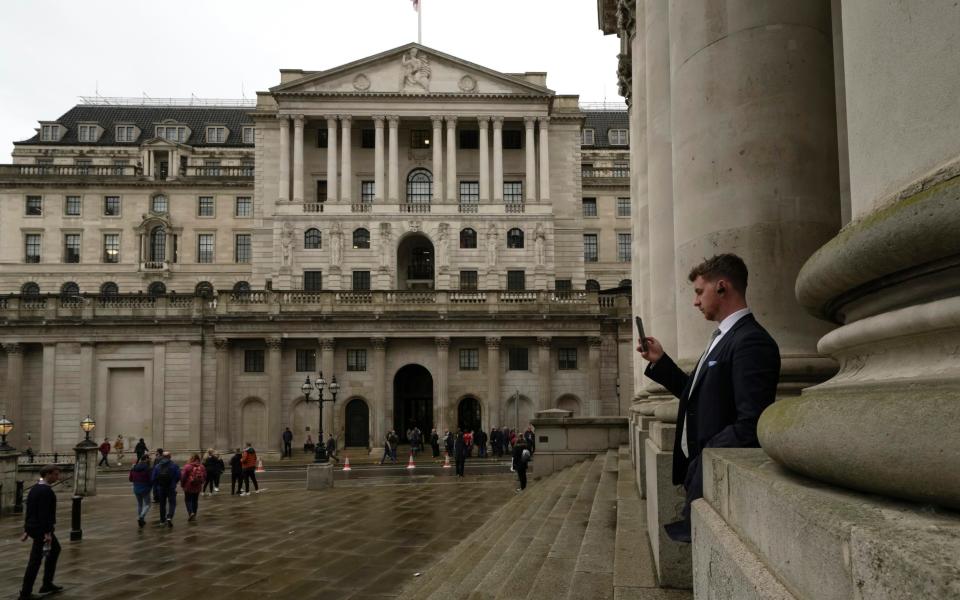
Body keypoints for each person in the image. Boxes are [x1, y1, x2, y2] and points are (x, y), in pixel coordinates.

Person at [638, 254, 780, 543]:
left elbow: (752, 422)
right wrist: (661, 361)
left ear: (722, 287)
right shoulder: (722, 338)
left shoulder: (751, 341)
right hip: (700, 471)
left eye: (699, 291)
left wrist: (702, 459)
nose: (695, 301)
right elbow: (697, 395)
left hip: (714, 470)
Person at [19, 465, 63, 600]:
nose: (57, 477)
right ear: (48, 474)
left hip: (34, 527)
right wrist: (48, 533)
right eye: (55, 474)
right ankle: (25, 593)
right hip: (41, 529)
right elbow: (45, 514)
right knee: (35, 561)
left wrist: (26, 529)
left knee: (54, 550)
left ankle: (47, 583)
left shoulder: (35, 488)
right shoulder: (46, 491)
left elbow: (30, 510)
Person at [150, 451, 181, 527]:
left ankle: (162, 521)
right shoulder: (174, 465)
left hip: (161, 487)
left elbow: (153, 478)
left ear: (163, 457)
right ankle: (169, 516)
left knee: (162, 504)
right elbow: (178, 476)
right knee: (172, 503)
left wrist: (157, 486)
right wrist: (174, 482)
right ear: (170, 457)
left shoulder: (157, 466)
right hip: (171, 487)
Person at [180, 454, 207, 521]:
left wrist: (182, 485)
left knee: (188, 500)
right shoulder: (202, 466)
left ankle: (191, 513)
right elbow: (205, 476)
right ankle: (194, 514)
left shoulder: (187, 466)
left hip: (188, 486)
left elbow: (183, 477)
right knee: (195, 500)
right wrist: (201, 482)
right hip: (197, 486)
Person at [129, 454, 153, 528]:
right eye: (149, 458)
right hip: (145, 487)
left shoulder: (134, 467)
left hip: (136, 487)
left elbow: (130, 479)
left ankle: (141, 520)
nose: (149, 460)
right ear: (146, 459)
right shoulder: (148, 468)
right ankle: (141, 517)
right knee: (148, 504)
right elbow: (151, 478)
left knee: (140, 504)